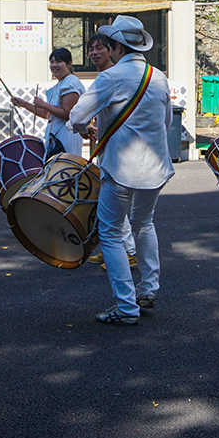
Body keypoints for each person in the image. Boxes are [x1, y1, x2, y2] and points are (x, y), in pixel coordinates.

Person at [69, 15, 174, 325]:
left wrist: (85, 128)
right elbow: (166, 123)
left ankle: (126, 307)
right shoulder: (158, 76)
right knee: (144, 223)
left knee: (112, 233)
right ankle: (148, 289)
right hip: (155, 166)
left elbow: (76, 115)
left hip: (120, 168)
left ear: (116, 46)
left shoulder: (110, 78)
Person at [83, 33, 136, 269]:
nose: (94, 53)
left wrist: (81, 124)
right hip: (108, 148)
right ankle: (109, 249)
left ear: (113, 50)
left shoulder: (113, 77)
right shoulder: (104, 77)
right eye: (91, 49)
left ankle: (130, 252)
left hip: (120, 153)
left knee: (118, 206)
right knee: (109, 205)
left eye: (99, 48)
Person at [11, 48, 84, 159]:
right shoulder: (58, 85)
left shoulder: (71, 82)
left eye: (59, 61)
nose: (54, 65)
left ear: (69, 64)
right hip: (55, 137)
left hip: (67, 135)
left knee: (67, 169)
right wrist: (24, 103)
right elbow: (47, 114)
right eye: (52, 62)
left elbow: (68, 113)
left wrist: (44, 104)